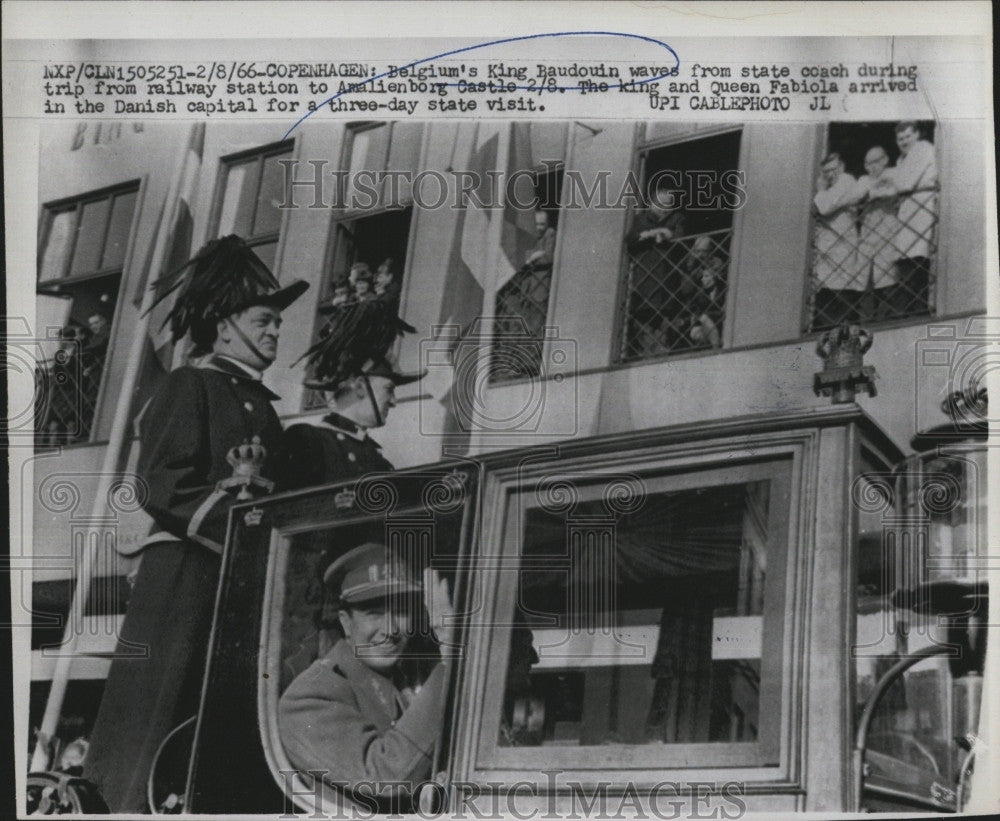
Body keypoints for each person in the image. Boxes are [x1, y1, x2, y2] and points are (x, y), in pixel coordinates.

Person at [82, 235, 309, 813]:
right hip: (184, 573)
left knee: (220, 717)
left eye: (277, 324)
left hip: (238, 575)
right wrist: (236, 531)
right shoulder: (191, 384)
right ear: (225, 325)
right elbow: (164, 481)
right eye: (265, 320)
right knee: (162, 706)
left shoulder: (261, 404)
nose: (276, 332)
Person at [278, 542, 454, 812]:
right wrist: (451, 660)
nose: (390, 630)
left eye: (401, 612)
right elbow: (386, 776)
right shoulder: (310, 696)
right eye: (374, 613)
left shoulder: (406, 678)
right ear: (346, 623)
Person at [626, 178, 688, 353]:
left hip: (667, 281)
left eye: (668, 205)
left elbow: (680, 238)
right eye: (660, 204)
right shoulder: (641, 219)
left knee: (664, 327)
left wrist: (667, 233)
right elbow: (630, 239)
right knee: (644, 326)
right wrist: (647, 234)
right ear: (652, 203)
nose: (664, 209)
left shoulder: (676, 218)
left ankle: (661, 351)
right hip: (644, 281)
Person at [886, 121, 938, 314]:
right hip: (908, 219)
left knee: (916, 268)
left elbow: (905, 184)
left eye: (908, 136)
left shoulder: (923, 149)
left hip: (920, 214)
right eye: (900, 139)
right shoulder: (903, 159)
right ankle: (911, 313)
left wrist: (884, 187)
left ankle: (917, 313)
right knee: (907, 269)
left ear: (917, 135)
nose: (904, 141)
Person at [812, 152, 865, 327]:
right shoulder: (829, 190)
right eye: (826, 171)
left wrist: (820, 190)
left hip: (842, 254)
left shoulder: (847, 181)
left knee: (842, 309)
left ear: (841, 168)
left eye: (833, 169)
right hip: (827, 258)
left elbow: (825, 207)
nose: (830, 174)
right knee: (826, 308)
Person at [856, 145, 904, 319]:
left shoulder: (894, 173)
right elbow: (858, 194)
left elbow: (896, 190)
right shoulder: (863, 179)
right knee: (864, 279)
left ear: (885, 160)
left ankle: (887, 320)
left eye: (876, 162)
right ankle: (867, 320)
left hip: (888, 232)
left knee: (887, 278)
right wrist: (877, 190)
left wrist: (873, 192)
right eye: (868, 164)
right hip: (867, 234)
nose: (872, 167)